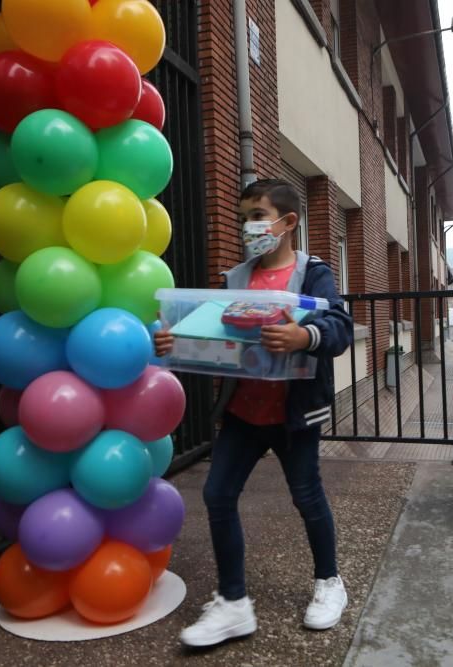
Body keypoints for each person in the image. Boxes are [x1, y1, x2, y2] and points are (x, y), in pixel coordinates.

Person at [154, 179, 353, 647]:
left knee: (307, 495)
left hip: (294, 413)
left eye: (258, 216)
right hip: (244, 411)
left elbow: (340, 327)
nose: (249, 226)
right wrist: (174, 340)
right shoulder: (235, 278)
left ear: (288, 223)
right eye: (245, 216)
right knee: (218, 495)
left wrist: (305, 337)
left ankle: (329, 582)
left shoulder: (313, 273)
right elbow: (215, 332)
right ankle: (233, 602)